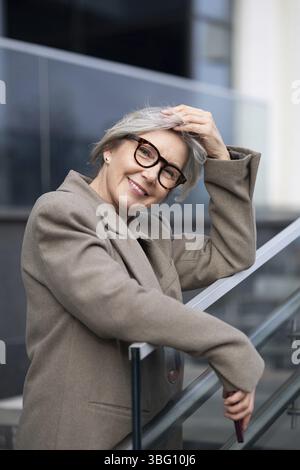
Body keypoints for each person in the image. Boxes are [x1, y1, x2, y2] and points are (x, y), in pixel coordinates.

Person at [15, 104, 264, 450]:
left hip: (149, 430)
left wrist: (219, 156)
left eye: (169, 172)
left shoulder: (147, 229)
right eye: (145, 152)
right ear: (109, 149)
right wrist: (231, 347)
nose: (151, 175)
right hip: (80, 436)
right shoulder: (61, 212)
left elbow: (231, 252)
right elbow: (119, 305)